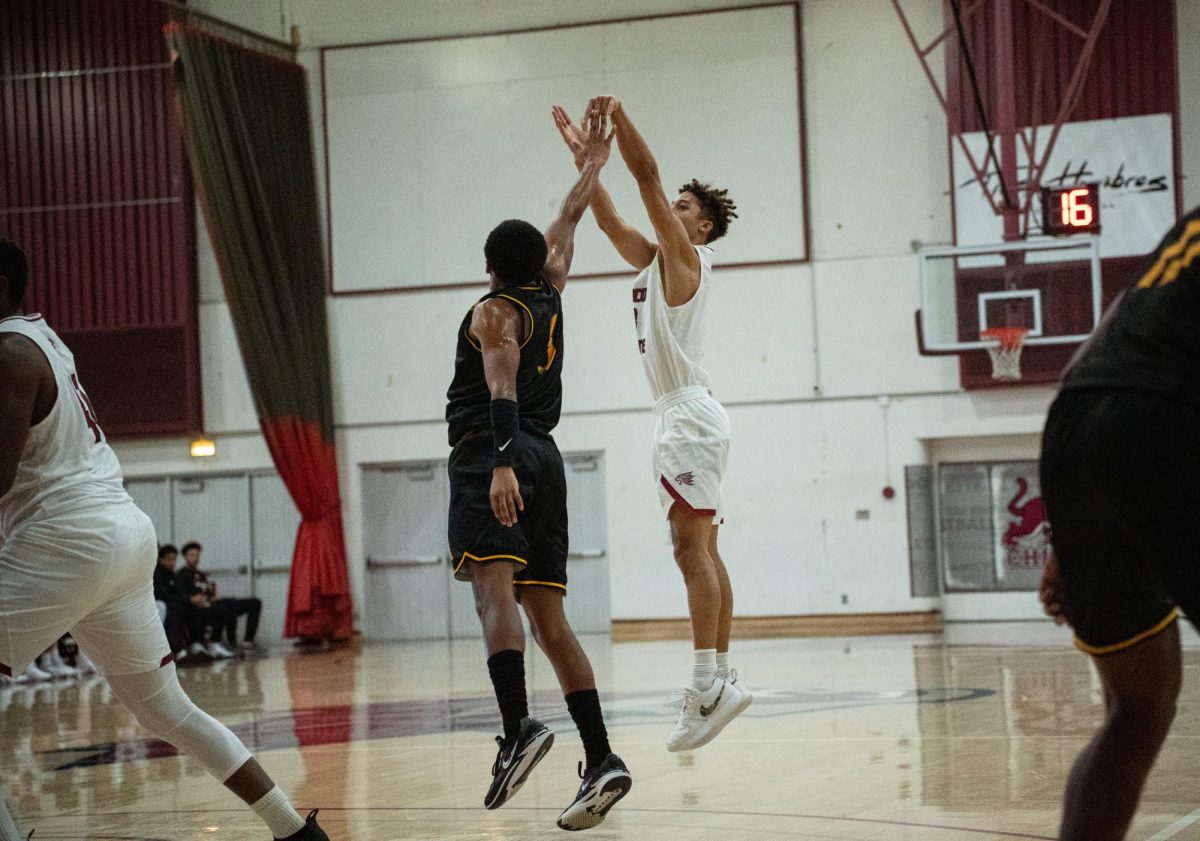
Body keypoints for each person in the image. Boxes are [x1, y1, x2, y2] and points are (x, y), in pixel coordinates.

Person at [0, 238, 328, 840]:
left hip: (67, 539)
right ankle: (294, 832)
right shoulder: (42, 337)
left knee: (168, 710)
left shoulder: (8, 355)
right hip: (121, 535)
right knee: (167, 710)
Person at [444, 111, 631, 831]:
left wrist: (496, 463)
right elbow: (569, 215)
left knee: (492, 590)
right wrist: (593, 164)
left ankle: (519, 725)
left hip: (499, 450)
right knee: (550, 617)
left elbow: (498, 385)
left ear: (488, 264)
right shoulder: (550, 285)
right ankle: (602, 754)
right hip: (549, 456)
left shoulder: (494, 310)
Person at [553, 98, 751, 751]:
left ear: (700, 230)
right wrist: (587, 162)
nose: (676, 209)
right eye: (681, 204)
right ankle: (716, 677)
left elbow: (648, 179)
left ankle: (707, 683)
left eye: (687, 208)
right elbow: (609, 218)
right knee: (703, 549)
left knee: (690, 550)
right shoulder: (655, 263)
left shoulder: (689, 260)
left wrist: (622, 121)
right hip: (684, 413)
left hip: (687, 411)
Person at [1038, 205, 1200, 840]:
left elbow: (1103, 343)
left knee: (1137, 711)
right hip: (1170, 419)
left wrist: (1072, 531)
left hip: (1077, 421)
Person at [178, 541, 263, 654]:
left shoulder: (201, 574)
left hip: (212, 600)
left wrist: (212, 596)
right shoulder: (182, 574)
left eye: (197, 555)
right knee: (226, 608)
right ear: (185, 557)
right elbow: (184, 595)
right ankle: (231, 642)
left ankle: (248, 640)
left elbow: (209, 590)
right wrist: (195, 599)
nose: (196, 558)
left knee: (253, 603)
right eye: (192, 555)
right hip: (200, 605)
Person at [153, 544, 194, 661]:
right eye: (169, 559)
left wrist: (190, 600)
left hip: (172, 604)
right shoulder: (156, 574)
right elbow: (162, 595)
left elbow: (180, 593)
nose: (172, 563)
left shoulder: (173, 575)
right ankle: (176, 648)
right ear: (161, 559)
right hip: (160, 604)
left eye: (174, 559)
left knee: (192, 608)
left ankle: (194, 644)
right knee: (174, 609)